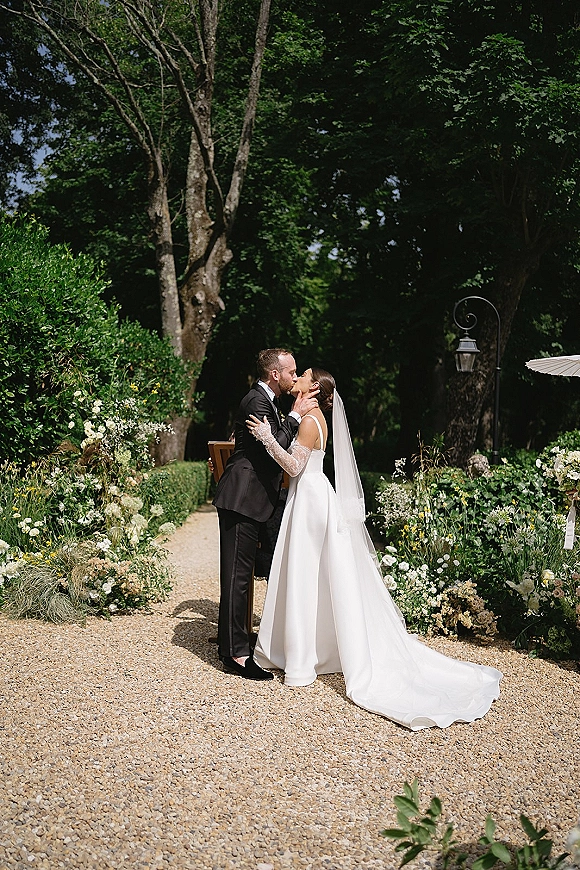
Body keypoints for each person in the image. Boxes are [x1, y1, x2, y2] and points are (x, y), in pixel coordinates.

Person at [247, 368, 502, 730]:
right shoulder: (314, 416)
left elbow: (293, 465)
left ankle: (301, 660)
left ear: (315, 387)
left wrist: (265, 437)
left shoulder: (309, 421)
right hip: (314, 497)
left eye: (303, 375)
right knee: (312, 577)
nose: (298, 377)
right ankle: (306, 650)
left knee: (304, 576)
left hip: (310, 502)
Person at [212, 348, 319, 680]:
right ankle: (237, 656)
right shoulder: (256, 402)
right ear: (276, 373)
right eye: (291, 371)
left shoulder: (267, 401)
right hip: (242, 497)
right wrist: (296, 415)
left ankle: (233, 643)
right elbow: (277, 447)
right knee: (237, 577)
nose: (294, 376)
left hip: (253, 499)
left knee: (240, 575)